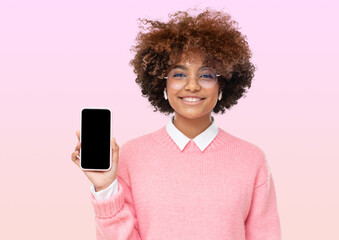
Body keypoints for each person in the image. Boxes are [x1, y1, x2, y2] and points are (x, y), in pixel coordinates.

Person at [71, 8, 281, 240]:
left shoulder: (251, 159)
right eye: (179, 75)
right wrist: (105, 189)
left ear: (223, 86)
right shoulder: (132, 154)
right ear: (162, 84)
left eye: (206, 75)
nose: (192, 86)